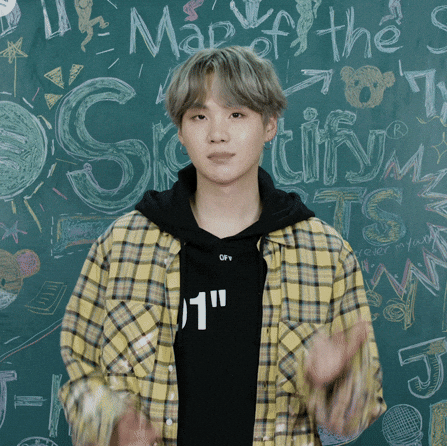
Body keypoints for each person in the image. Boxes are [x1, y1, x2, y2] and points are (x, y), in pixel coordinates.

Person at [59, 46, 386, 446]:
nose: (217, 134)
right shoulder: (123, 244)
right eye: (199, 116)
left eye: (236, 114)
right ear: (180, 131)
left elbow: (355, 416)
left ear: (270, 125)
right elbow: (80, 369)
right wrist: (111, 424)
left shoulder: (326, 253)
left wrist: (335, 385)